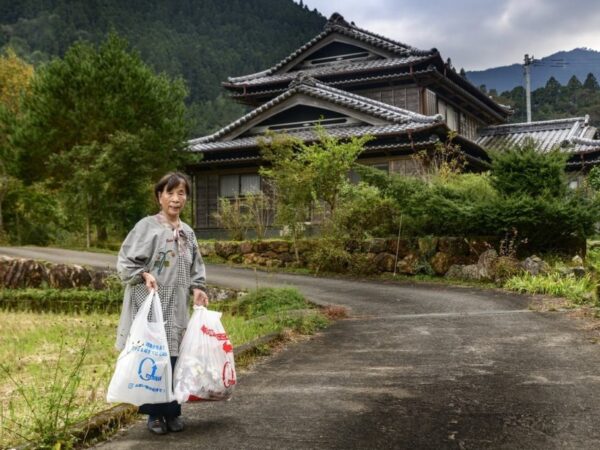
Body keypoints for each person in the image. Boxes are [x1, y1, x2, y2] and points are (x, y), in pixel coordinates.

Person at [115, 172, 208, 435]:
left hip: (177, 304)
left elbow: (196, 266)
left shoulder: (187, 232)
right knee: (152, 358)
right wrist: (143, 274)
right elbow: (125, 261)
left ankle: (173, 411)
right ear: (159, 197)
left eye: (181, 193)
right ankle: (154, 416)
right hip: (151, 302)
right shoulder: (146, 227)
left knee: (175, 357)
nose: (176, 199)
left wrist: (198, 287)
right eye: (170, 193)